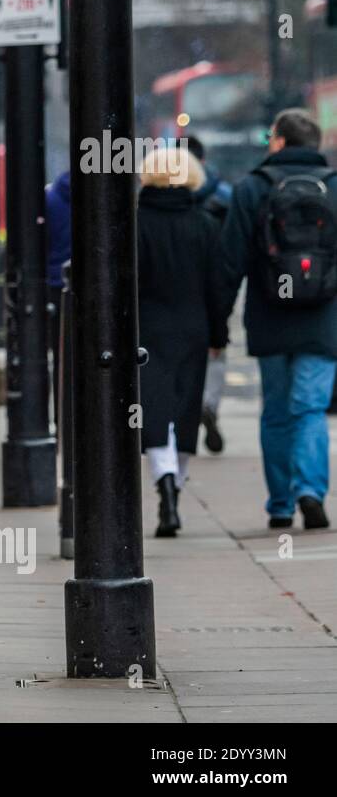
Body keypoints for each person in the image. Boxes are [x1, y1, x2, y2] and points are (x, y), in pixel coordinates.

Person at [215, 109, 336, 531]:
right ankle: (311, 490)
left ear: (281, 142)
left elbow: (229, 263)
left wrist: (218, 324)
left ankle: (282, 504)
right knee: (311, 409)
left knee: (277, 411)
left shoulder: (252, 188)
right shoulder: (335, 188)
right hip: (322, 319)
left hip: (269, 317)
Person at [136, 147, 226, 537]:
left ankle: (165, 486)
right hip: (193, 329)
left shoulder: (133, 223)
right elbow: (217, 287)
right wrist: (218, 335)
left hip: (146, 331)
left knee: (154, 413)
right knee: (185, 413)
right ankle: (175, 489)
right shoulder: (205, 224)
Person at [187, 134, 233, 454]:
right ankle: (209, 405)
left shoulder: (156, 198)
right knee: (215, 351)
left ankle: (189, 409)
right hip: (214, 288)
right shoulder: (225, 196)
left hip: (172, 296)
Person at [45, 169, 72, 426]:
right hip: (91, 288)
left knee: (59, 355)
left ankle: (60, 417)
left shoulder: (50, 197)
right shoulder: (100, 196)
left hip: (54, 285)